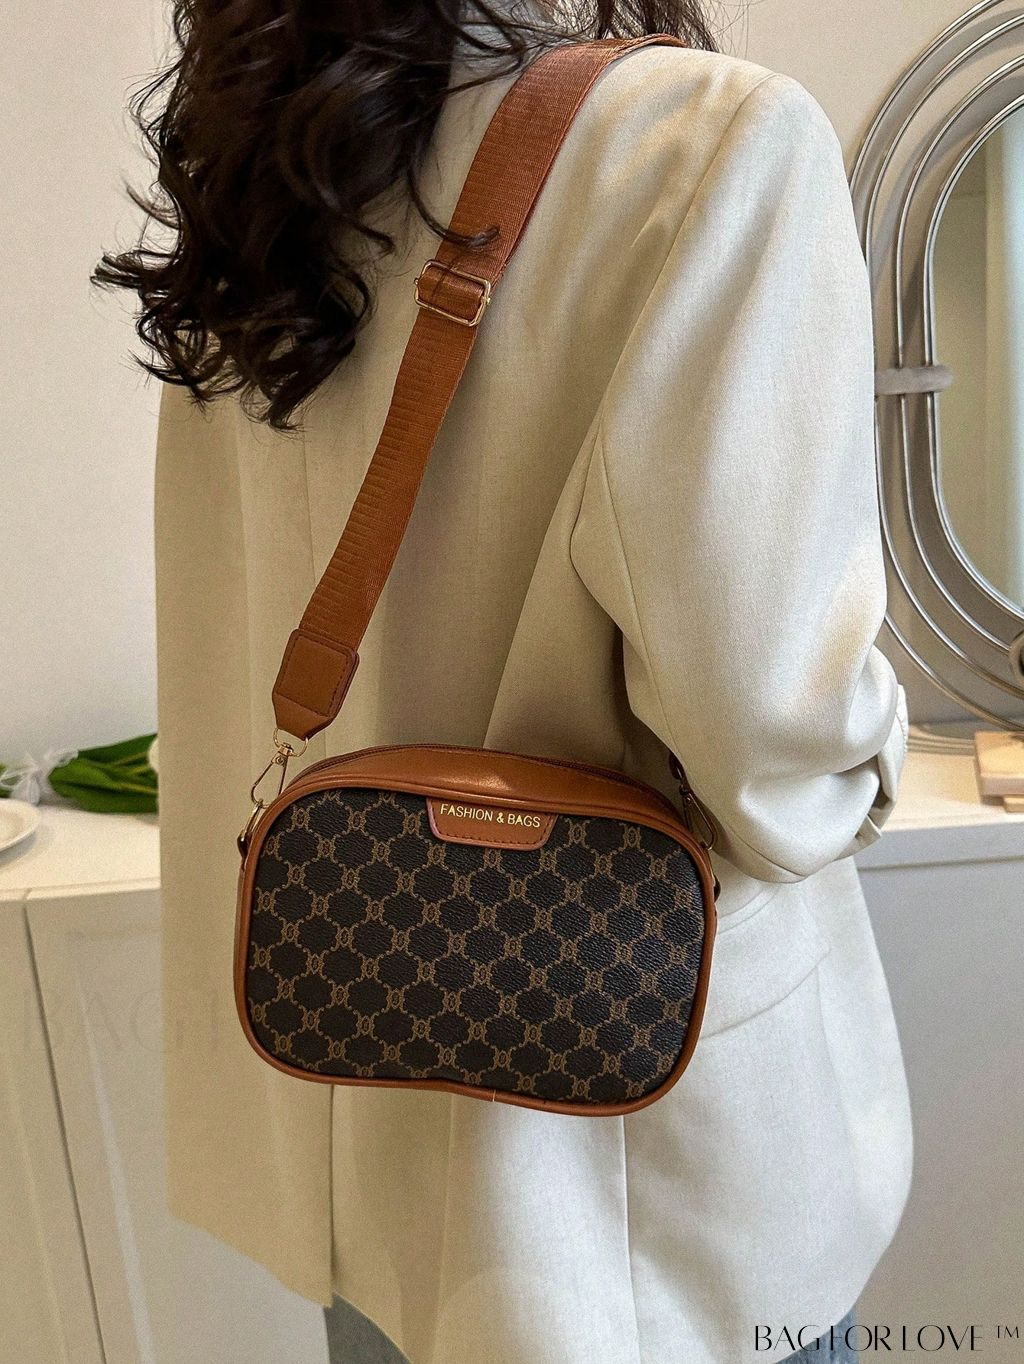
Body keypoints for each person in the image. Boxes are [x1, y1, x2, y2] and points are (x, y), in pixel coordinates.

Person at [96, 2, 912, 1361]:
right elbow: (777, 744)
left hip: (356, 1125)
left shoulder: (269, 168)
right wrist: (875, 755)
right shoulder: (699, 145)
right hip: (636, 1200)